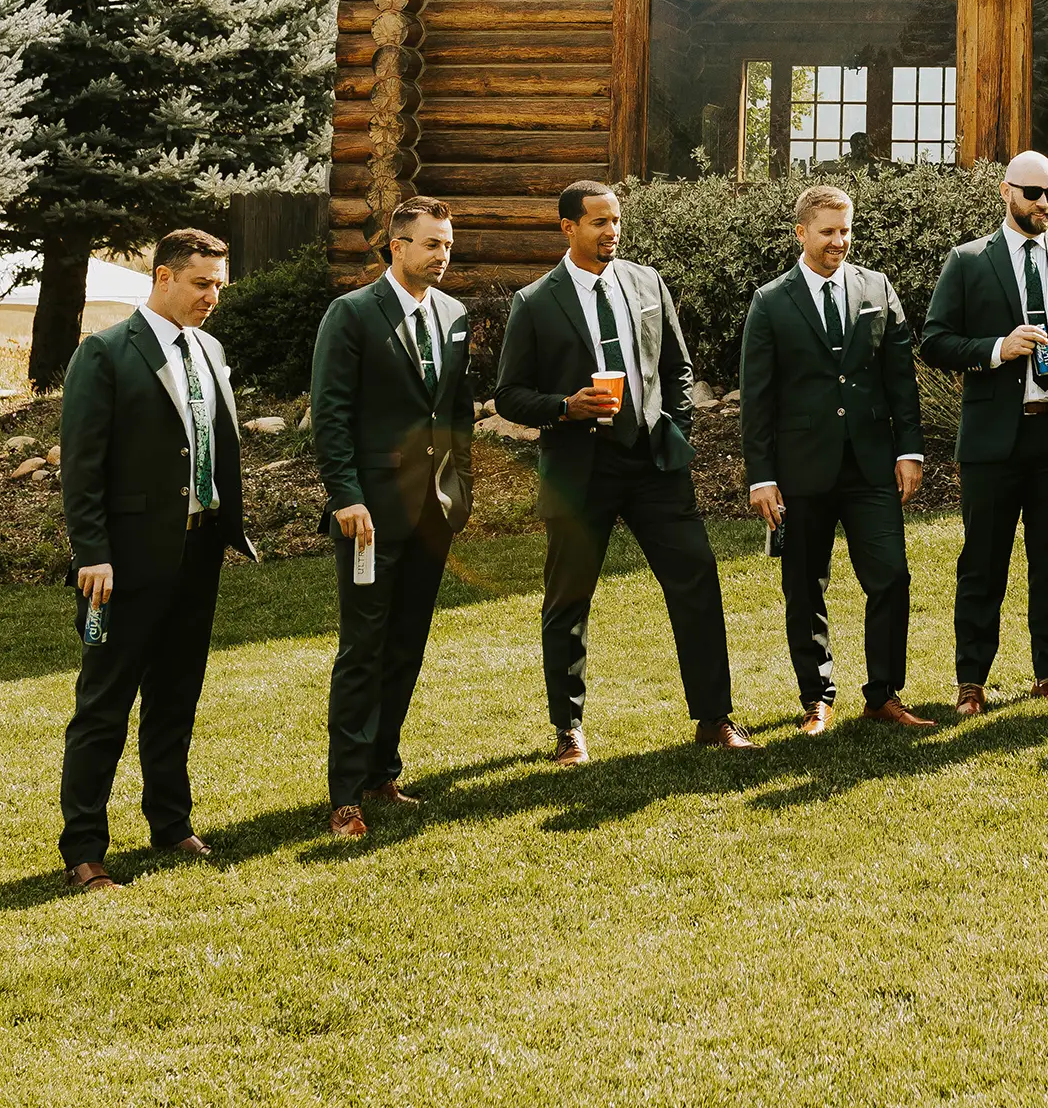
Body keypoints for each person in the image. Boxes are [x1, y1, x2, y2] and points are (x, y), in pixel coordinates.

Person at [493, 180, 756, 763]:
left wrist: (676, 427)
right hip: (579, 468)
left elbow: (678, 367)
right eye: (597, 223)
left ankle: (714, 718)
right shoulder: (536, 302)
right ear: (568, 228)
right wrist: (566, 406)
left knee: (697, 580)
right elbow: (509, 395)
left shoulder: (646, 282)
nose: (611, 231)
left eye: (616, 222)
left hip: (654, 464)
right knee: (569, 600)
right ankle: (569, 730)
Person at [55, 229, 257, 890]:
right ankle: (84, 849)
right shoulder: (106, 354)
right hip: (124, 563)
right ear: (163, 278)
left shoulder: (209, 350)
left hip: (198, 552)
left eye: (219, 287)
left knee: (175, 698)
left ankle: (171, 824)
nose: (212, 298)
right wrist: (94, 554)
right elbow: (82, 466)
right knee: (104, 706)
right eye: (201, 284)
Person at [919, 150, 1048, 715]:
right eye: (1033, 193)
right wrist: (995, 350)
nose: (1045, 204)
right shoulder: (968, 261)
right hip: (993, 440)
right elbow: (934, 341)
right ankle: (971, 680)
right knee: (983, 560)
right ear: (1006, 192)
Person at [309, 197, 476, 836]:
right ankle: (345, 795)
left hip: (434, 514)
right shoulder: (350, 316)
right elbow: (331, 414)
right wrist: (346, 495)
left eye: (448, 244)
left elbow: (456, 413)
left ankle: (381, 774)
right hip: (369, 515)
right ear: (396, 246)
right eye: (432, 244)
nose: (443, 255)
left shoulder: (455, 316)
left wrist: (459, 488)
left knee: (407, 645)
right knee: (363, 649)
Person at [739, 184, 932, 735]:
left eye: (845, 231)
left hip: (871, 465)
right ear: (801, 233)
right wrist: (763, 477)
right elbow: (758, 398)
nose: (839, 242)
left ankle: (884, 695)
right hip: (800, 470)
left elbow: (900, 377)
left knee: (891, 577)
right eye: (828, 232)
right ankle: (816, 698)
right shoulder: (771, 301)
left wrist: (910, 450)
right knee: (804, 587)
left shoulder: (877, 288)